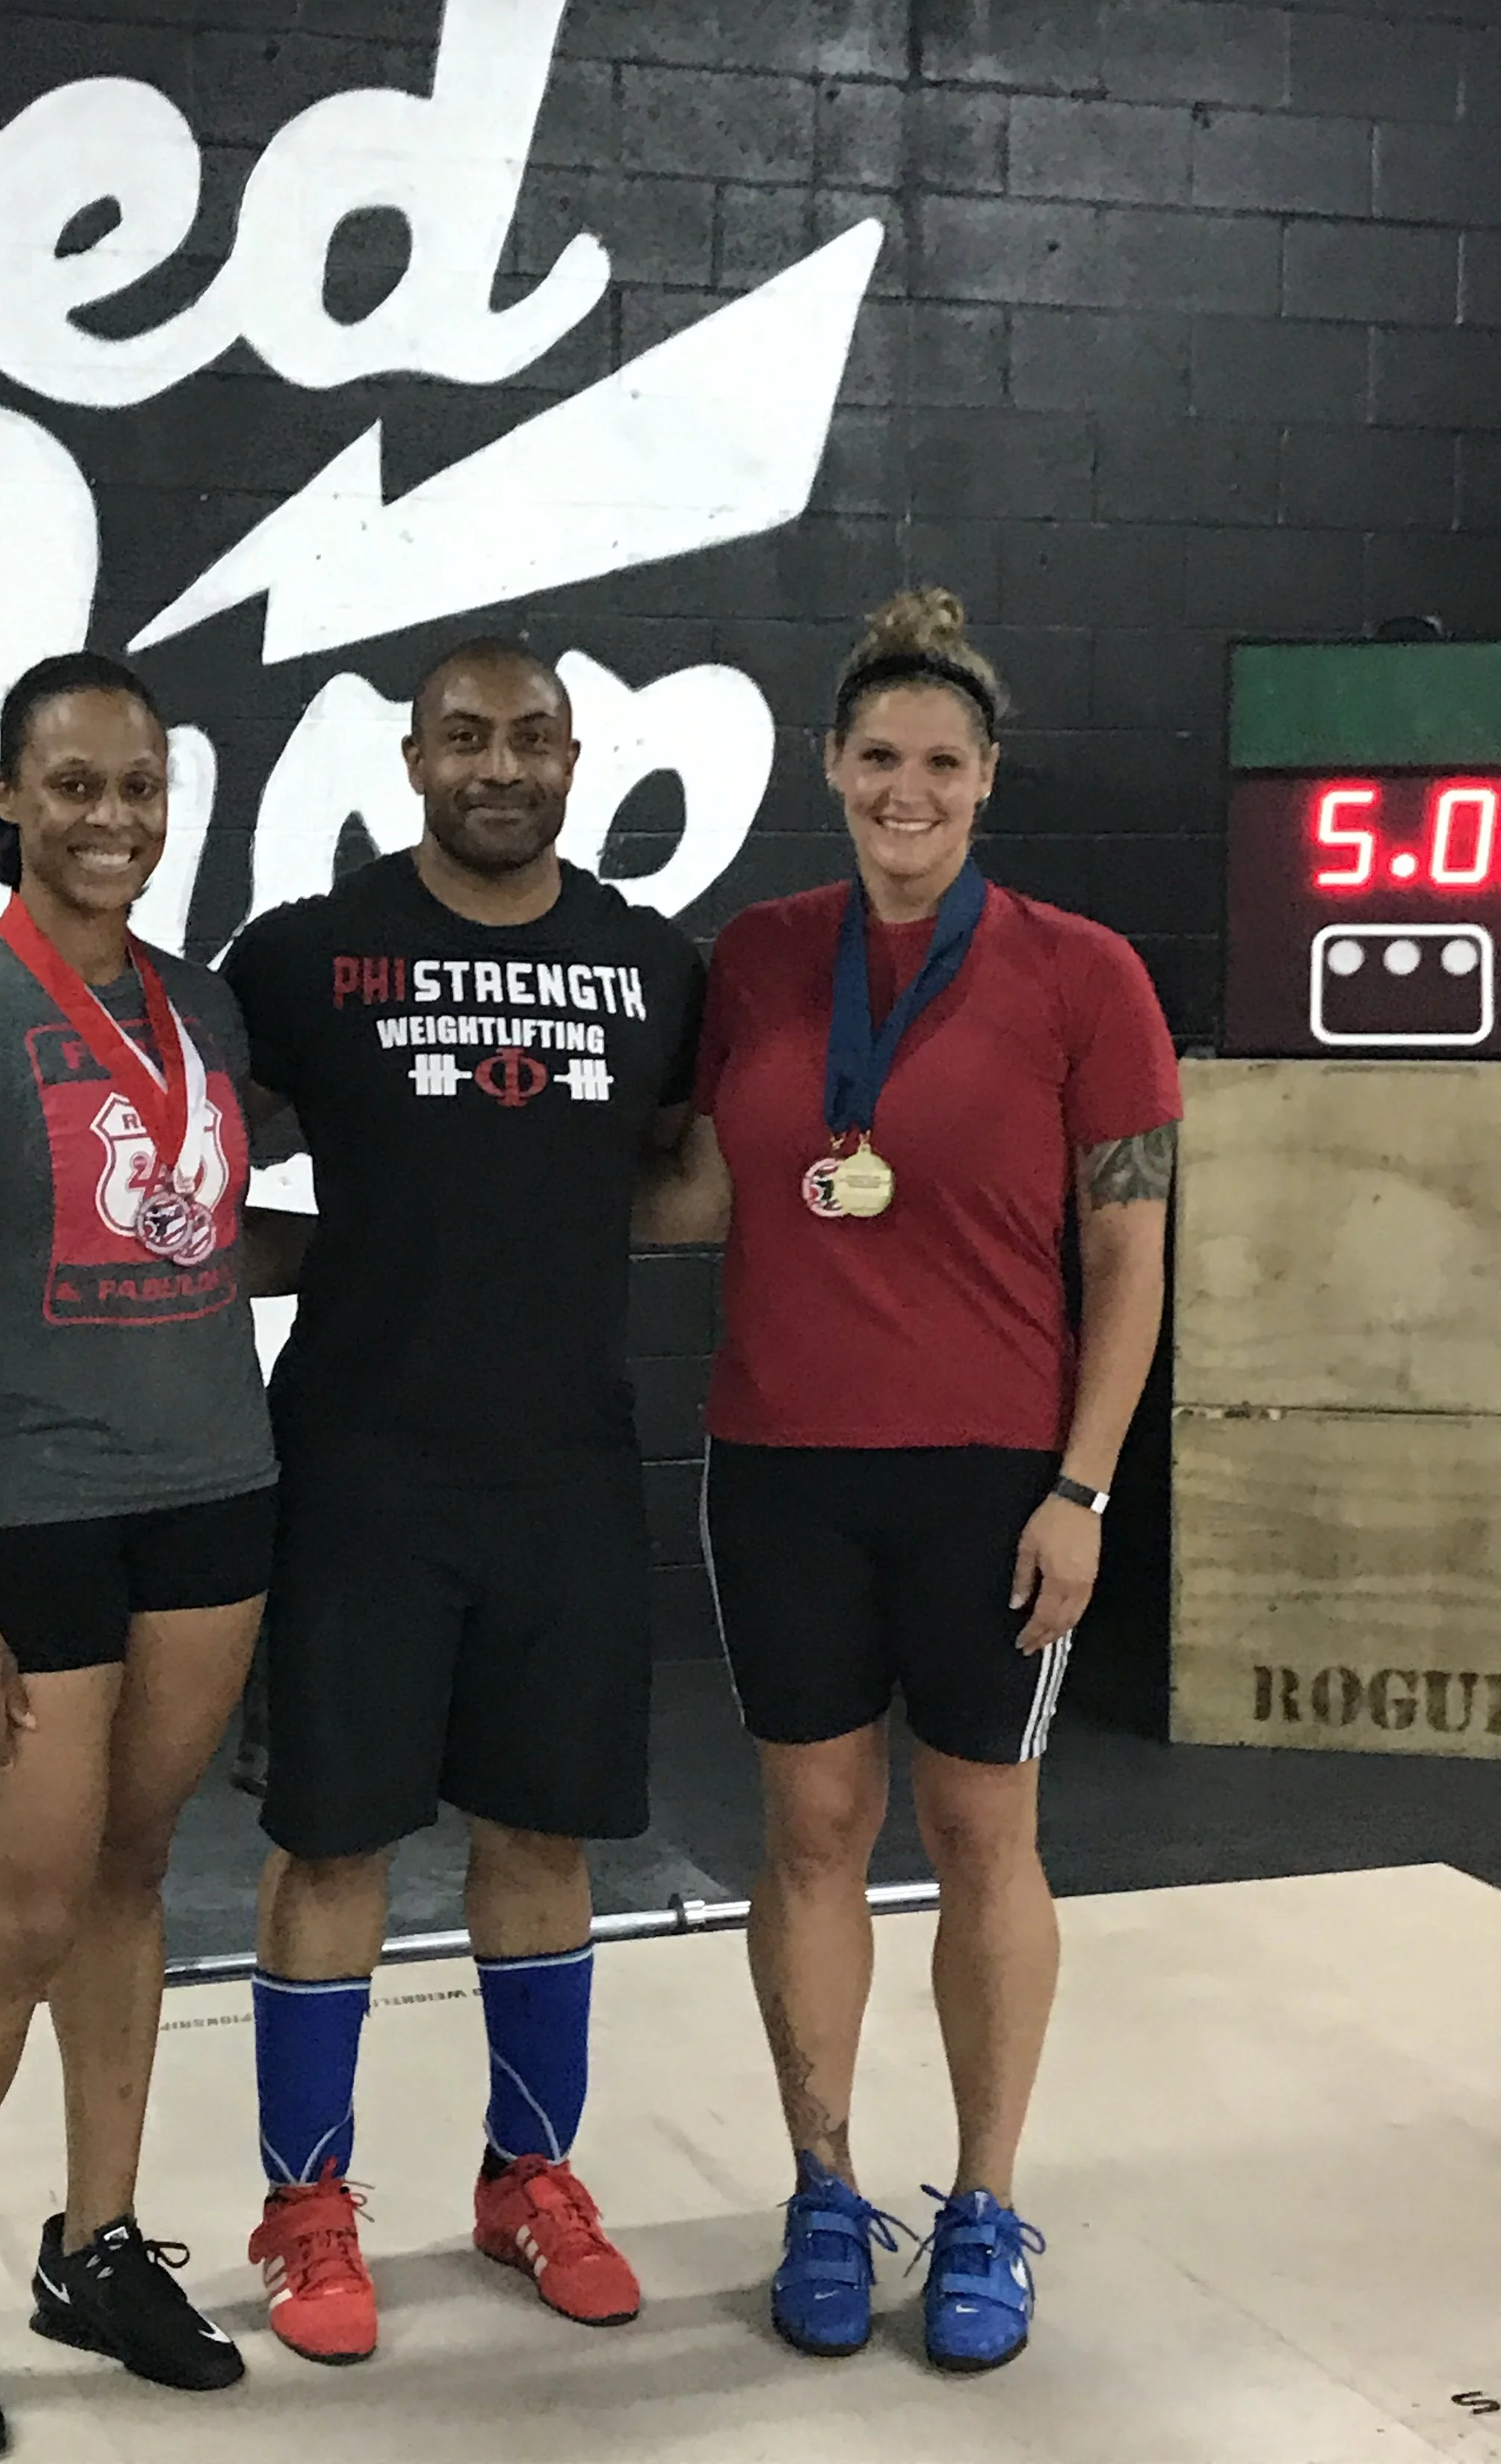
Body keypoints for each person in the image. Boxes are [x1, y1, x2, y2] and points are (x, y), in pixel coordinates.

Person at [637, 590, 1179, 2371]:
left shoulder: (1081, 973)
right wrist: (465, 1205)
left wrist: (1081, 1489)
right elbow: (706, 1190)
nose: (905, 788)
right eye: (877, 756)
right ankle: (819, 2185)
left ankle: (982, 2199)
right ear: (830, 768)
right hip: (781, 1467)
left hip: (990, 1481)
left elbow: (1129, 1257)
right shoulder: (758, 956)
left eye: (939, 761)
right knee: (805, 1833)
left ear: (984, 779)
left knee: (979, 1835)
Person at [219, 637, 705, 2364]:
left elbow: (684, 1182)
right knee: (331, 1841)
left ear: (575, 756)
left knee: (543, 1842)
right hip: (359, 1470)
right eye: (461, 739)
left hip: (564, 1470)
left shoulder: (649, 965)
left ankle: (528, 2178)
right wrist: (297, 1254)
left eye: (528, 738)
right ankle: (305, 2207)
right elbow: (184, 1164)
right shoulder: (301, 959)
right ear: (411, 760)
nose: (496, 765)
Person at [0, 652, 277, 2461]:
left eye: (140, 786)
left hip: (210, 1492)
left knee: (134, 1872)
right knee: (16, 1908)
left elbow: (208, 1236)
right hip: (19, 1525)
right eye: (73, 785)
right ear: (7, 797)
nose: (111, 817)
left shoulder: (208, 1014)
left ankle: (94, 2244)